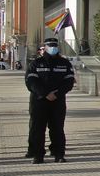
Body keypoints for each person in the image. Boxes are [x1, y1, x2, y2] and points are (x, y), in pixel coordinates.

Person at [25, 36, 76, 164]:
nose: (52, 48)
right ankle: (38, 155)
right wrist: (45, 93)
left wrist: (57, 94)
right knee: (38, 129)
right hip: (39, 101)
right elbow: (31, 81)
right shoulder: (36, 63)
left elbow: (69, 81)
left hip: (57, 101)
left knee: (57, 128)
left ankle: (59, 154)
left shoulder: (64, 64)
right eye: (50, 45)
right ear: (45, 47)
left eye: (54, 45)